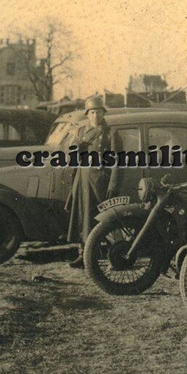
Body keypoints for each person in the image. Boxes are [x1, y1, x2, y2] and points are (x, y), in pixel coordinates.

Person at [65, 96, 122, 266]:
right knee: (84, 218)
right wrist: (76, 144)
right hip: (83, 179)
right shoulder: (81, 132)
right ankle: (84, 254)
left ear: (103, 113)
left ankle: (111, 255)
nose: (95, 116)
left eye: (98, 112)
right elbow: (71, 156)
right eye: (92, 112)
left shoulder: (111, 133)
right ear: (87, 114)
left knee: (105, 220)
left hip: (101, 181)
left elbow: (118, 161)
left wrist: (113, 184)